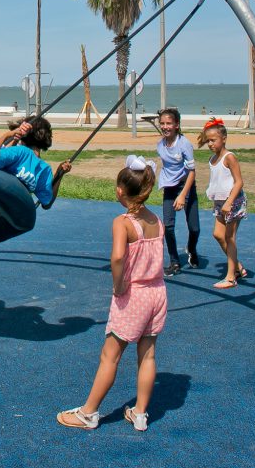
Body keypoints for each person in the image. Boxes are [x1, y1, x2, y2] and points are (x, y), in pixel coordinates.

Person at [57, 156, 165, 432]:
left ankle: (89, 413)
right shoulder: (155, 219)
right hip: (157, 292)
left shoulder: (124, 222)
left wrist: (118, 285)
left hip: (135, 294)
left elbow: (118, 257)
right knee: (148, 354)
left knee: (111, 354)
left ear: (119, 190)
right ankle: (140, 413)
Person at [197, 118, 248, 289]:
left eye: (213, 140)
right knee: (218, 235)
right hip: (220, 202)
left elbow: (239, 182)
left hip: (232, 201)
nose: (210, 144)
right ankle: (237, 265)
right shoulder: (212, 159)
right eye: (208, 140)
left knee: (229, 237)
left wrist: (229, 202)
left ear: (224, 138)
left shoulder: (229, 157)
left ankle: (230, 277)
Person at [0, 115, 70, 209]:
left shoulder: (20, 152)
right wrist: (59, 175)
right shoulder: (44, 168)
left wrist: (8, 135)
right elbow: (47, 203)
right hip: (12, 209)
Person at [154, 107, 200, 275]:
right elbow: (167, 167)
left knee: (194, 228)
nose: (165, 126)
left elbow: (192, 172)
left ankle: (192, 250)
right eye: (162, 123)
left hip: (186, 186)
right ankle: (174, 262)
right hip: (169, 189)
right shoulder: (160, 145)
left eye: (169, 123)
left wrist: (183, 195)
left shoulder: (185, 144)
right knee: (168, 226)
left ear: (177, 125)